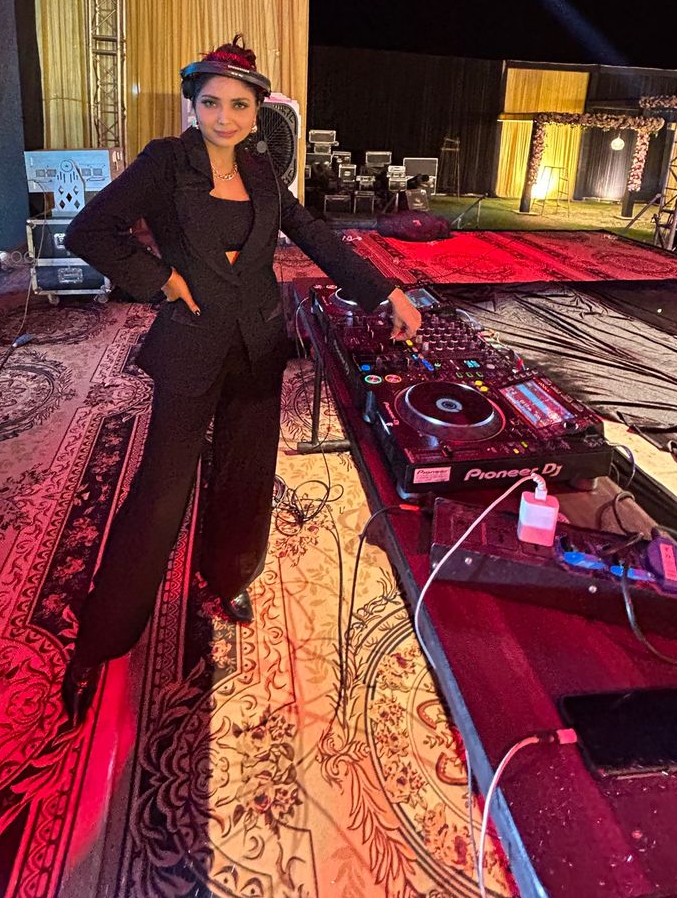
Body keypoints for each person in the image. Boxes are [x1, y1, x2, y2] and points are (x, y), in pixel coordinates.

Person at [59, 36, 422, 724]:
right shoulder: (165, 163)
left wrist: (387, 291)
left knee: (246, 475)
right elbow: (91, 231)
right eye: (211, 103)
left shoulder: (261, 171)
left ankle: (226, 577)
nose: (223, 117)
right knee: (161, 492)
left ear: (258, 113)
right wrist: (161, 279)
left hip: (256, 341)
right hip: (192, 344)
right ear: (193, 106)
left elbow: (315, 234)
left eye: (239, 105)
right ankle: (100, 641)